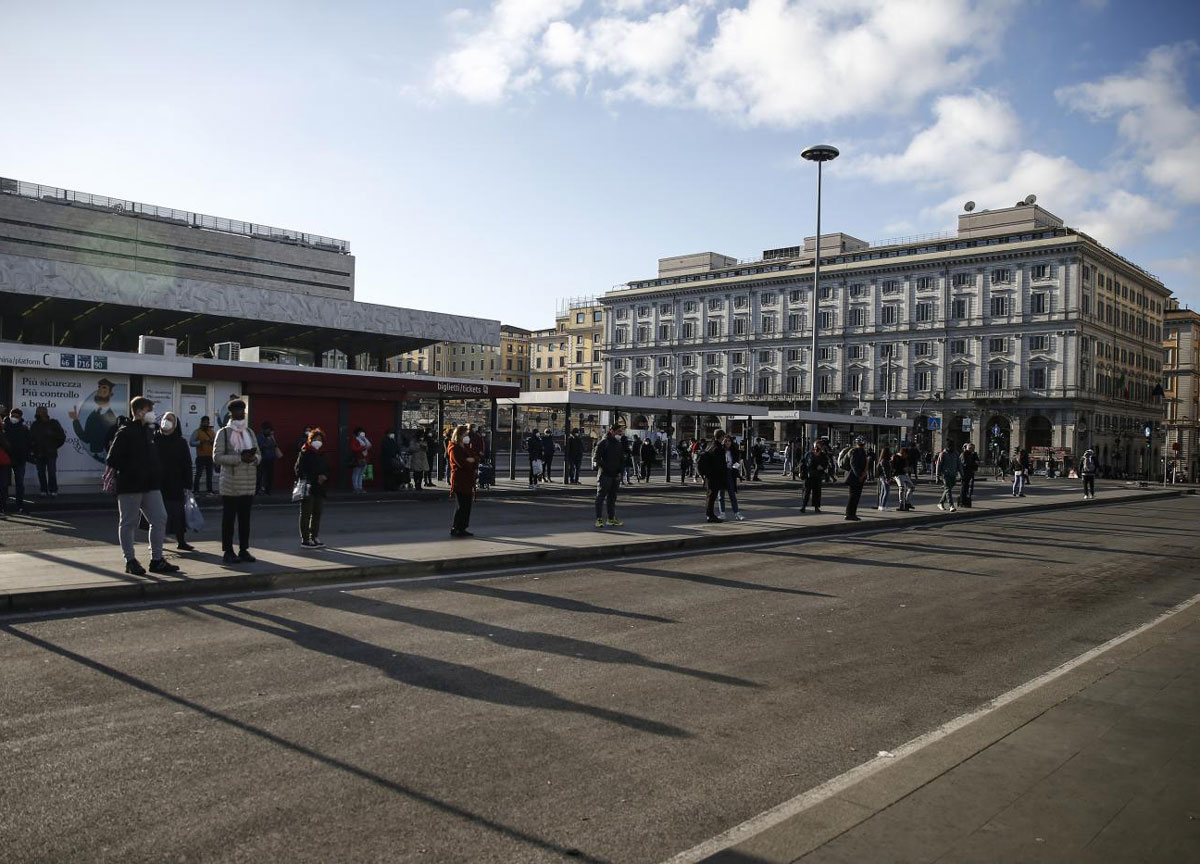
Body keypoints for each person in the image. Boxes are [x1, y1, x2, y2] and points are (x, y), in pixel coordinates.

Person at [106, 397, 180, 576]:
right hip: (131, 485)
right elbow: (112, 459)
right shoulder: (125, 432)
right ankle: (130, 561)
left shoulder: (148, 431)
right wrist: (133, 469)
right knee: (128, 522)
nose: (152, 414)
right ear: (139, 412)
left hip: (150, 484)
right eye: (149, 410)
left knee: (160, 518)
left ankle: (157, 560)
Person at [213, 399, 261, 564]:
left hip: (248, 483)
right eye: (238, 410)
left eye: (243, 410)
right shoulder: (224, 433)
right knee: (229, 520)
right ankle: (228, 551)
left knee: (245, 520)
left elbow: (259, 454)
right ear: (231, 413)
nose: (241, 413)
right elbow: (217, 457)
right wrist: (239, 458)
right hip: (230, 484)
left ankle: (243, 550)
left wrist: (254, 458)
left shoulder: (250, 432)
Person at [154, 411, 194, 552]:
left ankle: (181, 541)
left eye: (170, 419)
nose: (167, 422)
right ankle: (156, 543)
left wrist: (188, 484)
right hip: (157, 483)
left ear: (175, 424)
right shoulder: (154, 439)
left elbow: (187, 464)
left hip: (176, 483)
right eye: (165, 419)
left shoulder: (180, 442)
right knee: (157, 516)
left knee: (178, 514)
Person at [295, 428, 331, 547]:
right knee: (306, 513)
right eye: (316, 439)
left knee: (317, 512)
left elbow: (327, 468)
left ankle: (314, 536)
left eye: (320, 439)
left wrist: (325, 476)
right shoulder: (305, 452)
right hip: (308, 486)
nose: (318, 441)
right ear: (310, 440)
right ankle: (305, 539)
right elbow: (298, 470)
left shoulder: (323, 453)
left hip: (320, 487)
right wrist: (315, 477)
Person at [70, 377, 120, 459]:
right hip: (96, 456)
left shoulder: (112, 418)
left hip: (106, 457)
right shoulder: (93, 415)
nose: (100, 391)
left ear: (110, 394)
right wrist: (75, 420)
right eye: (99, 388)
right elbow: (86, 438)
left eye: (104, 388)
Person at [448, 425, 479, 537]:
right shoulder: (454, 448)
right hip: (460, 480)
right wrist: (470, 461)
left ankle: (462, 527)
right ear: (459, 435)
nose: (467, 437)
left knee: (467, 506)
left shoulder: (465, 447)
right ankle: (456, 527)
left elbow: (475, 458)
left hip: (467, 480)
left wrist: (472, 460)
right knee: (461, 505)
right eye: (465, 434)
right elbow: (461, 463)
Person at [591, 423, 624, 527]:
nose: (620, 433)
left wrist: (620, 472)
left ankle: (611, 518)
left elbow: (621, 459)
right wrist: (605, 467)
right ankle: (599, 519)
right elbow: (596, 458)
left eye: (621, 432)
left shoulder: (618, 444)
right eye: (619, 431)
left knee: (612, 498)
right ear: (612, 431)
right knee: (600, 497)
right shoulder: (603, 442)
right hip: (605, 474)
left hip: (615, 475)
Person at [29, 406, 66, 498]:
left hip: (50, 453)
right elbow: (30, 438)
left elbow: (62, 437)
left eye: (38, 412)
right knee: (41, 472)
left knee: (51, 472)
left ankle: (53, 490)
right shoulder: (35, 424)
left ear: (44, 413)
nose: (37, 413)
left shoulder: (53, 423)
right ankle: (43, 490)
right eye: (37, 411)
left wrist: (54, 446)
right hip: (39, 453)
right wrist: (33, 448)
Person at [3, 408, 31, 514]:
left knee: (20, 483)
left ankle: (19, 505)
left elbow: (28, 442)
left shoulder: (23, 428)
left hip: (19, 459)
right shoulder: (4, 427)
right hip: (6, 459)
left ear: (20, 417)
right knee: (3, 484)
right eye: (13, 415)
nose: (14, 418)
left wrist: (26, 453)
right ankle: (3, 505)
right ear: (9, 415)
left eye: (17, 416)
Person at [698, 431, 728, 523]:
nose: (724, 439)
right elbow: (720, 464)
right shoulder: (718, 448)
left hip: (709, 475)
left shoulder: (710, 445)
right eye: (723, 437)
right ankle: (710, 515)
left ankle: (710, 514)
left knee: (710, 496)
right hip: (715, 476)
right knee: (712, 496)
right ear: (721, 437)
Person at [719, 435, 745, 520]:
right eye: (725, 441)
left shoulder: (734, 451)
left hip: (730, 473)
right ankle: (722, 513)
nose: (727, 443)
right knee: (721, 495)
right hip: (721, 474)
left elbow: (737, 463)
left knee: (732, 495)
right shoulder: (720, 451)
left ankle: (737, 513)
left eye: (729, 441)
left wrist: (734, 469)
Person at [799, 439, 829, 514]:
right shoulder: (809, 454)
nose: (816, 448)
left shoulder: (823, 455)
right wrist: (801, 472)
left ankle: (816, 507)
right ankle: (803, 506)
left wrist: (822, 467)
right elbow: (802, 463)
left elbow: (826, 464)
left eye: (818, 446)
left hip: (817, 476)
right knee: (806, 492)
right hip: (808, 476)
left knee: (817, 492)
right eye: (815, 446)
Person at [844, 437, 868, 521]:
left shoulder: (861, 451)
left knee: (855, 497)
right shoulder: (856, 451)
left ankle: (852, 514)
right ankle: (849, 514)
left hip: (858, 477)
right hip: (854, 478)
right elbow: (853, 464)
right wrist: (859, 475)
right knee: (853, 497)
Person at [190, 416, 216, 495]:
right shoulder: (197, 432)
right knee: (198, 474)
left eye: (207, 422)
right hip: (201, 456)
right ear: (201, 423)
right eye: (204, 422)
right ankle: (196, 490)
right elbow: (191, 442)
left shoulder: (212, 432)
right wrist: (200, 442)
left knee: (209, 474)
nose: (206, 424)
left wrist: (212, 442)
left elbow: (216, 443)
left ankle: (209, 490)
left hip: (210, 456)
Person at [256, 421, 279, 495]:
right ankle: (258, 489)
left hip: (270, 458)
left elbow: (275, 445)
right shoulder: (259, 437)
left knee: (269, 475)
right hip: (262, 458)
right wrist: (268, 443)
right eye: (267, 429)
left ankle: (268, 489)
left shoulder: (271, 437)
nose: (269, 431)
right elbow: (260, 445)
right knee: (260, 475)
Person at [935, 445, 960, 512]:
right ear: (947, 447)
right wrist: (937, 476)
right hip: (945, 475)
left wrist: (961, 474)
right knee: (948, 489)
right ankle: (951, 505)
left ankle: (941, 503)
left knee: (948, 489)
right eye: (950, 447)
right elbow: (938, 465)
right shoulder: (943, 454)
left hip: (953, 474)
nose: (952, 448)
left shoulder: (956, 454)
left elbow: (959, 464)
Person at [349, 427, 371, 493]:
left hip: (365, 459)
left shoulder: (365, 440)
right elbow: (354, 449)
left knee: (361, 474)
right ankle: (356, 488)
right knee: (356, 473)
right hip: (358, 459)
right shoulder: (355, 440)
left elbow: (369, 446)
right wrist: (363, 448)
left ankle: (360, 487)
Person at [892, 446, 913, 511]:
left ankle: (907, 502)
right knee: (902, 488)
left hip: (904, 474)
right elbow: (894, 466)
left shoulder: (905, 458)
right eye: (905, 455)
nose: (906, 456)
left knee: (912, 487)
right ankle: (901, 504)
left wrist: (907, 469)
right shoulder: (896, 457)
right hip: (898, 474)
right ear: (903, 453)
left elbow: (906, 465)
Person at [960, 443, 980, 508]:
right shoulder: (964, 454)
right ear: (967, 448)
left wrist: (974, 464)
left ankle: (965, 501)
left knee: (966, 487)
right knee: (964, 488)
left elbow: (977, 462)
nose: (971, 450)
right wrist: (973, 464)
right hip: (964, 473)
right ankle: (962, 501)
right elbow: (965, 464)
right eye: (970, 448)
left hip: (969, 473)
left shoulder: (972, 454)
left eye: (973, 448)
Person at [876, 446, 894, 511]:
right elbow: (886, 471)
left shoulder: (882, 460)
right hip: (885, 477)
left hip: (882, 477)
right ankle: (883, 505)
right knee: (886, 491)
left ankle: (880, 505)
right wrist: (888, 479)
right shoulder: (885, 461)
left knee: (882, 491)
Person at [0, 422, 12, 518]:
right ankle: (1, 509)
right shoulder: (1, 434)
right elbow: (7, 446)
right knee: (2, 487)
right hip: (2, 462)